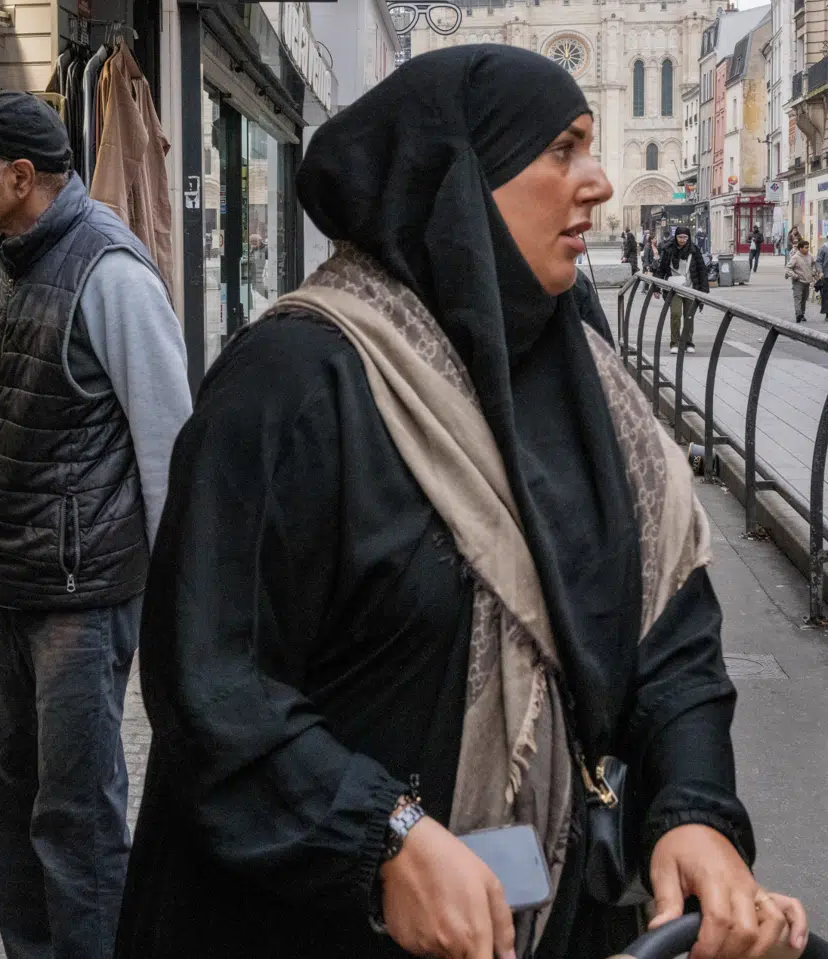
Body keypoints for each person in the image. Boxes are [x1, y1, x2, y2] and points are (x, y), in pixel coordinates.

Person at [116, 45, 808, 959]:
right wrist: (383, 838)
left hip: (546, 916)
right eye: (562, 149)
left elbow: (671, 640)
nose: (598, 182)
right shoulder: (292, 385)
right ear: (463, 178)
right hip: (313, 923)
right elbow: (212, 684)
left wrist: (693, 811)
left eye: (591, 147)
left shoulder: (590, 388)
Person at [0, 91, 194, 959]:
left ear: (21, 176)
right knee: (21, 807)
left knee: (76, 818)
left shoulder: (108, 271)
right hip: (27, 587)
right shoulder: (25, 257)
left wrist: (177, 612)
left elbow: (169, 442)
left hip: (83, 595)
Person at [653, 226, 710, 354]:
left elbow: (702, 271)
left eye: (685, 237)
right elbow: (661, 270)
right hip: (674, 289)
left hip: (691, 288)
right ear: (676, 237)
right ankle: (675, 342)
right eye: (680, 237)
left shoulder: (694, 251)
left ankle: (688, 342)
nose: (682, 240)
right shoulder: (668, 250)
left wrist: (704, 291)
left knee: (689, 316)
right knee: (675, 314)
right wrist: (656, 288)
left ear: (689, 237)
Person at [788, 239, 816, 324]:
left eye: (808, 247)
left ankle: (802, 314)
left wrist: (814, 272)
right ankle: (798, 314)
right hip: (798, 281)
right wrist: (794, 276)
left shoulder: (810, 256)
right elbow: (788, 268)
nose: (807, 249)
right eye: (806, 248)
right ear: (800, 248)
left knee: (804, 299)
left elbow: (814, 264)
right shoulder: (795, 257)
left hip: (807, 282)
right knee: (798, 298)